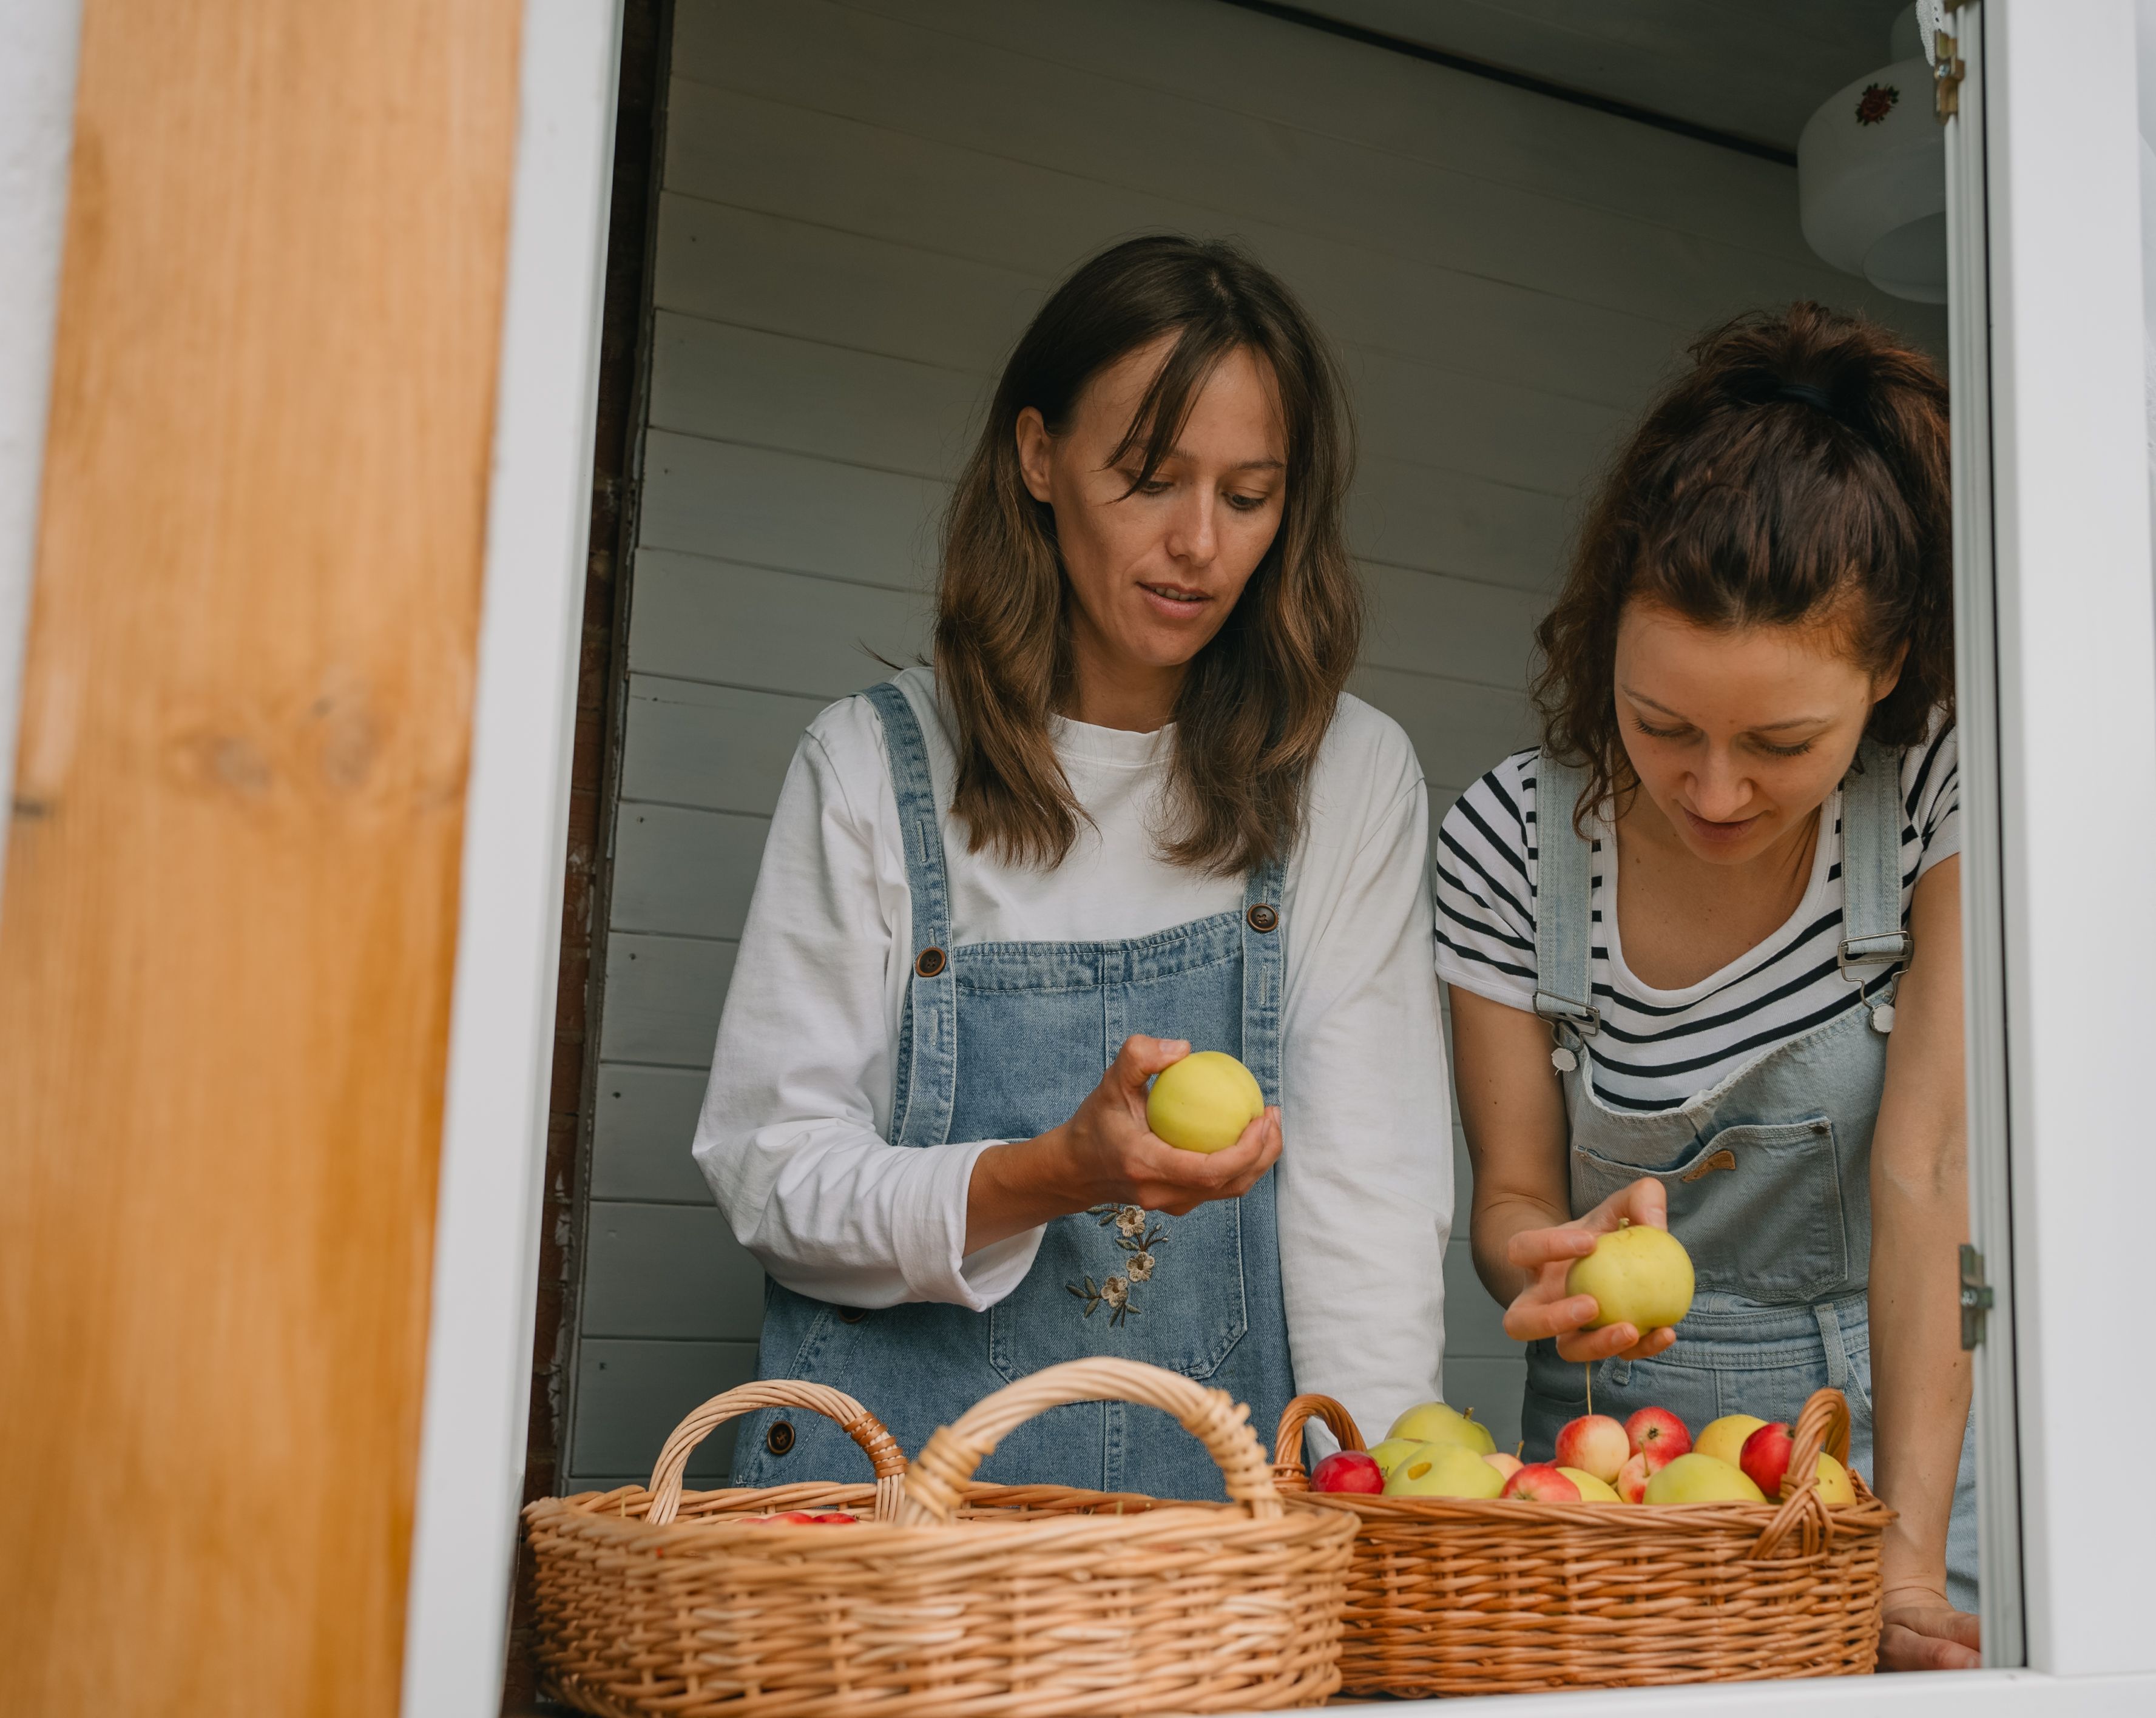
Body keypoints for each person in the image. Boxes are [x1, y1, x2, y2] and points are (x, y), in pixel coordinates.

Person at [695, 236, 1451, 1499]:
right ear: (1037, 457)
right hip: (878, 1547)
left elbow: (1362, 1206)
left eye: (1249, 495)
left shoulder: (1346, 775)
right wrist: (1048, 1177)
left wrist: (1375, 1511)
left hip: (1201, 1549)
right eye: (1148, 479)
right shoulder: (873, 763)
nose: (1198, 544)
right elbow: (771, 1177)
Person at [1436, 303, 1980, 1668]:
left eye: (1781, 743)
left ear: (1889, 670)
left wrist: (1901, 1563)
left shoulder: (1938, 798)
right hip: (1614, 1489)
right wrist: (1539, 1259)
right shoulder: (1507, 841)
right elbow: (1510, 1199)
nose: (1715, 791)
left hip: (1898, 1466)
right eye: (1659, 725)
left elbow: (1929, 1172)